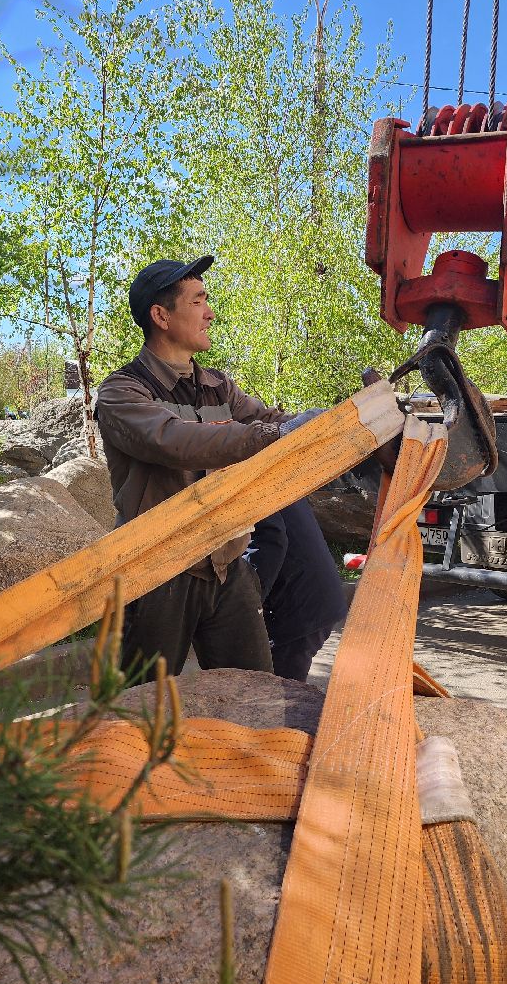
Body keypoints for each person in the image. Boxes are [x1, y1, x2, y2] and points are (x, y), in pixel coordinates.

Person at [94, 255, 323, 681]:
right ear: (161, 316)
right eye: (198, 301)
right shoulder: (121, 393)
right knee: (143, 705)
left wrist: (333, 421)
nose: (210, 312)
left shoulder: (218, 386)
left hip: (226, 567)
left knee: (254, 695)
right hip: (157, 574)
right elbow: (175, 440)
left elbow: (270, 421)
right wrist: (273, 435)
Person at [245, 498, 349, 681]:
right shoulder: (273, 484)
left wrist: (246, 603)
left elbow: (270, 539)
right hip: (314, 597)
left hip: (300, 604)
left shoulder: (250, 490)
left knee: (276, 689)